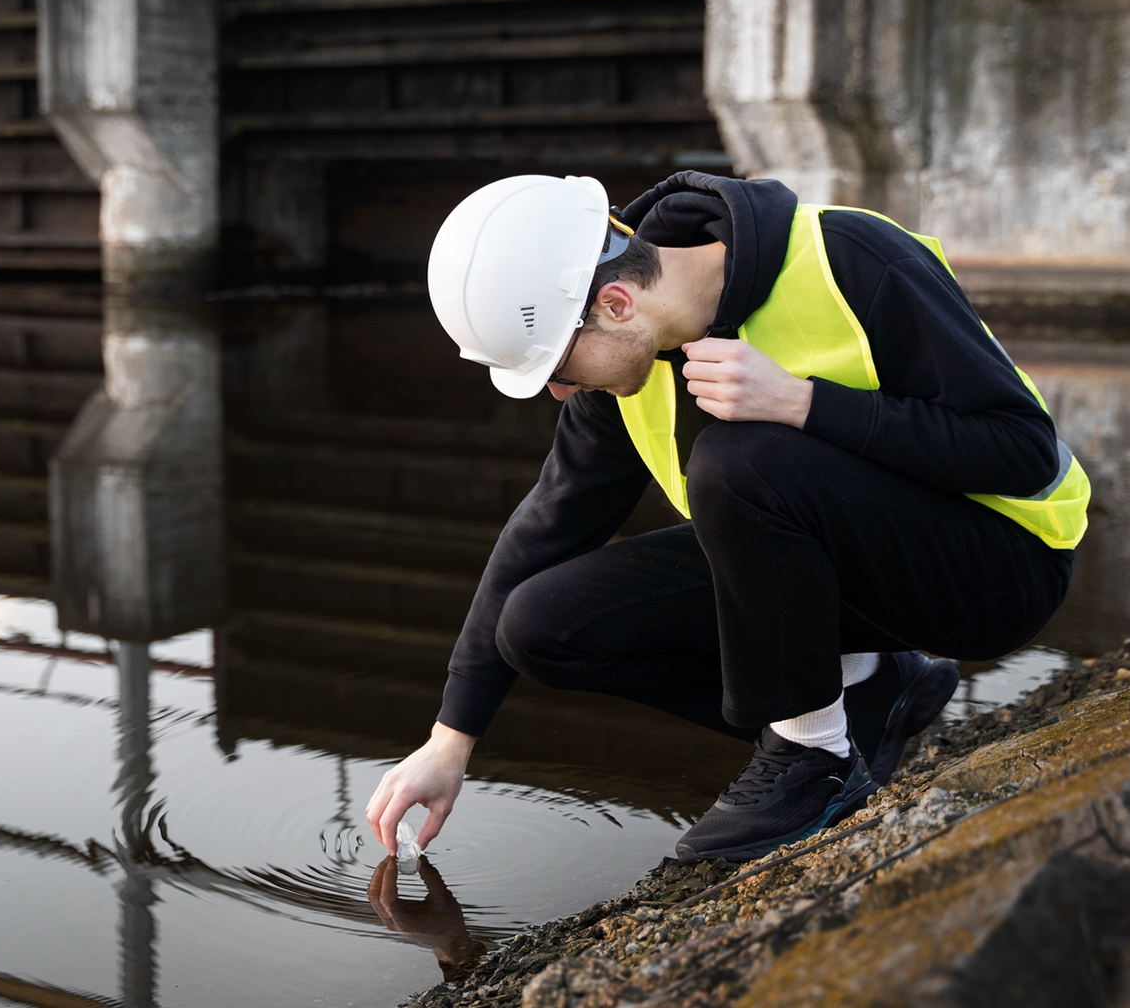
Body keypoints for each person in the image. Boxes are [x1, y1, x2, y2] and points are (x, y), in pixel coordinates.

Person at [364, 172, 1090, 862]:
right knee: (539, 625)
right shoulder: (625, 370)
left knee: (738, 461)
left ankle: (813, 758)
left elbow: (1021, 449)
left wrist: (804, 403)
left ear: (615, 304)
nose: (559, 392)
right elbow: (544, 529)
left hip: (1000, 569)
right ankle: (869, 690)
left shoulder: (851, 256)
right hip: (864, 585)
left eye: (556, 366)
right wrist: (451, 738)